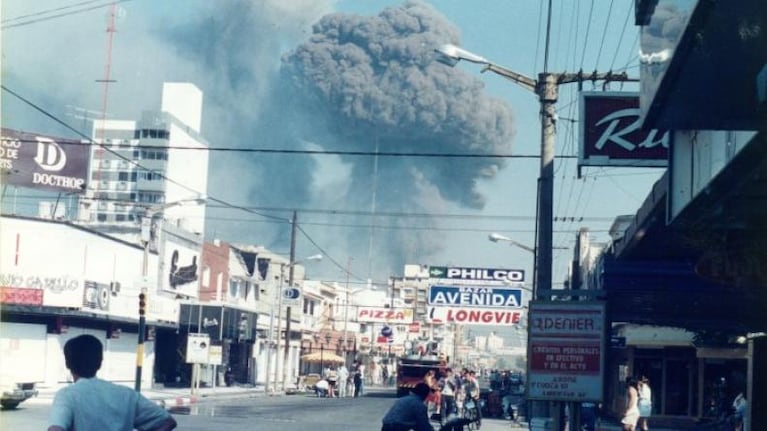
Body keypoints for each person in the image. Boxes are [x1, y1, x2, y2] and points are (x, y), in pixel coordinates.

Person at [47, 334, 177, 431]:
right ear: (100, 362)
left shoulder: (67, 395)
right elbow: (167, 422)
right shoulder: (127, 395)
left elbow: (56, 429)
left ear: (68, 363)